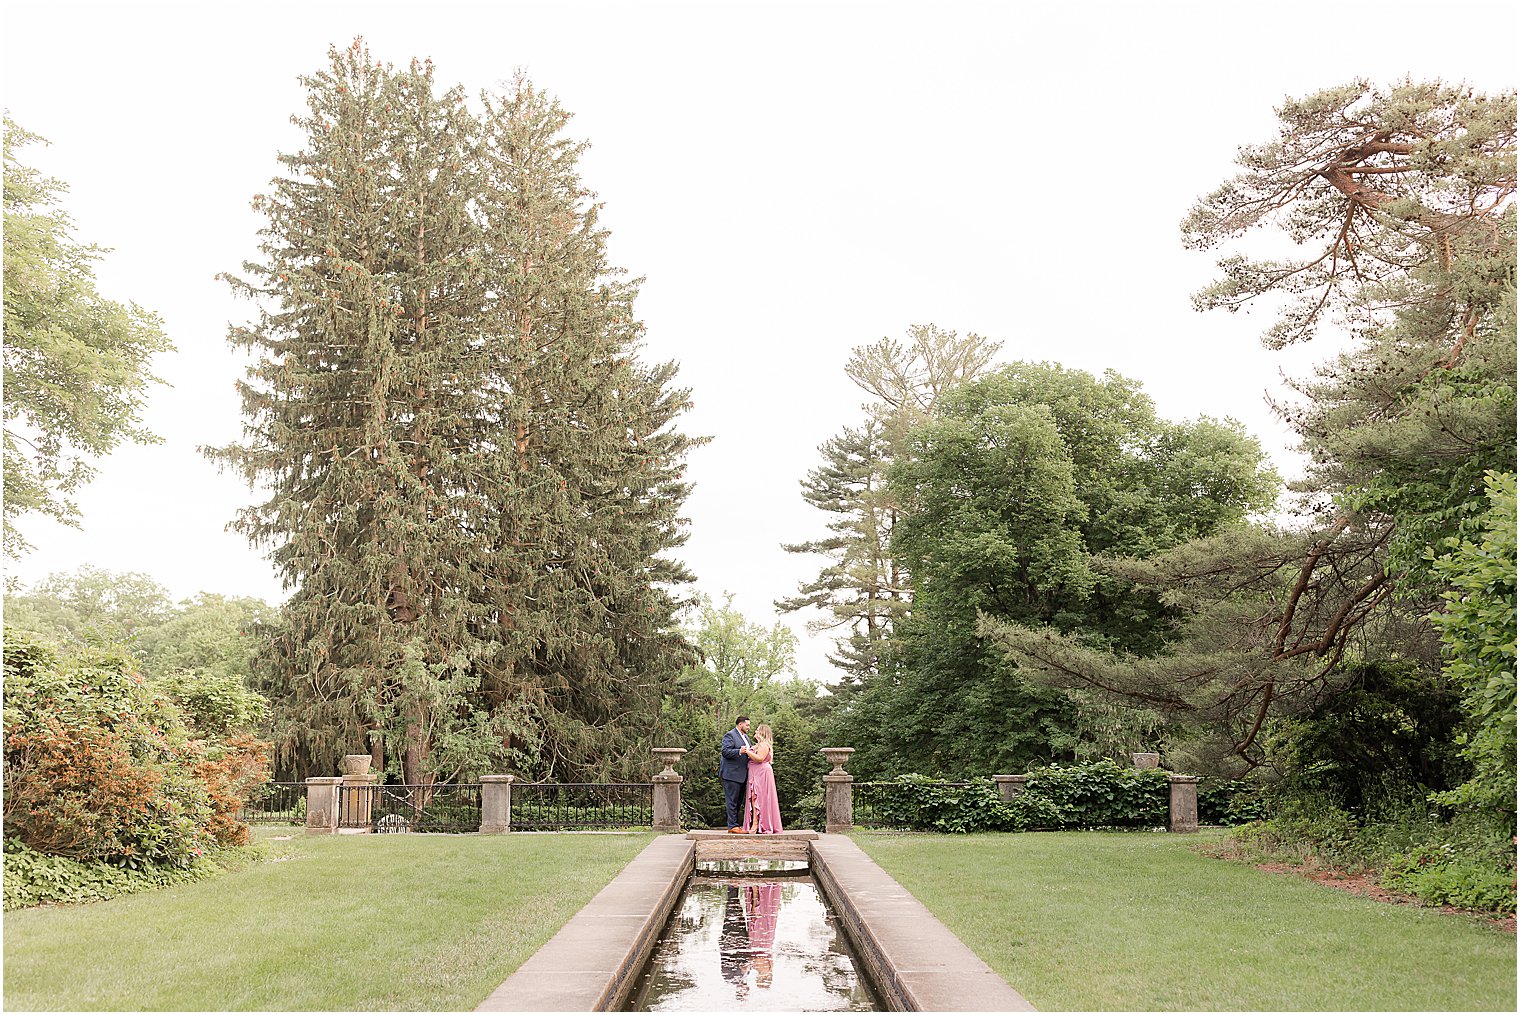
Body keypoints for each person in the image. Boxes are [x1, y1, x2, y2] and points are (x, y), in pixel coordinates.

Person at [742, 724, 783, 834]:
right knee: (754, 797)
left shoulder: (764, 745)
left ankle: (756, 824)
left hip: (761, 773)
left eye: (757, 730)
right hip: (755, 772)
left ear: (762, 733)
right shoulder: (758, 745)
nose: (755, 731)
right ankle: (756, 823)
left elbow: (760, 759)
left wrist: (747, 752)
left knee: (758, 797)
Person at [719, 715, 751, 833]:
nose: (749, 727)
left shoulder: (746, 737)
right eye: (747, 725)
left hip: (742, 775)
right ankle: (732, 826)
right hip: (731, 774)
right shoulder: (730, 735)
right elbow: (725, 751)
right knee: (731, 800)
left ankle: (735, 825)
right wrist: (739, 751)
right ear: (740, 724)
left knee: (738, 801)